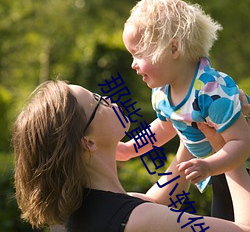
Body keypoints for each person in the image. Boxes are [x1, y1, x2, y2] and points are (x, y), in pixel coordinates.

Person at [13, 80, 250, 232]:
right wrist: (226, 147)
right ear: (88, 142)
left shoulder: (80, 213)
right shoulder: (138, 220)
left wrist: (190, 120)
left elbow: (157, 201)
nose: (109, 100)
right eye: (98, 102)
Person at [120, 0, 250, 221]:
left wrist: (209, 166)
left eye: (138, 54)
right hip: (220, 172)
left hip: (240, 168)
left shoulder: (211, 91)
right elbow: (165, 126)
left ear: (173, 49)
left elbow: (242, 142)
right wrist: (130, 149)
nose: (133, 64)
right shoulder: (162, 91)